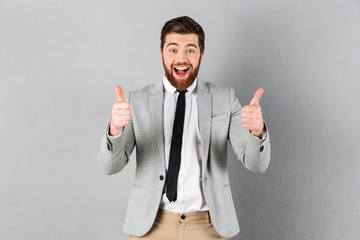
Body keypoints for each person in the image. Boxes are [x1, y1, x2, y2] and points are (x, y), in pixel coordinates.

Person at [98, 16, 270, 240]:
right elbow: (110, 166)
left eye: (190, 50)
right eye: (173, 50)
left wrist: (258, 132)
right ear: (161, 53)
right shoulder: (137, 100)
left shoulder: (224, 99)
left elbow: (256, 164)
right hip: (152, 225)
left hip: (209, 225)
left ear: (201, 55)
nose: (181, 58)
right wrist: (115, 129)